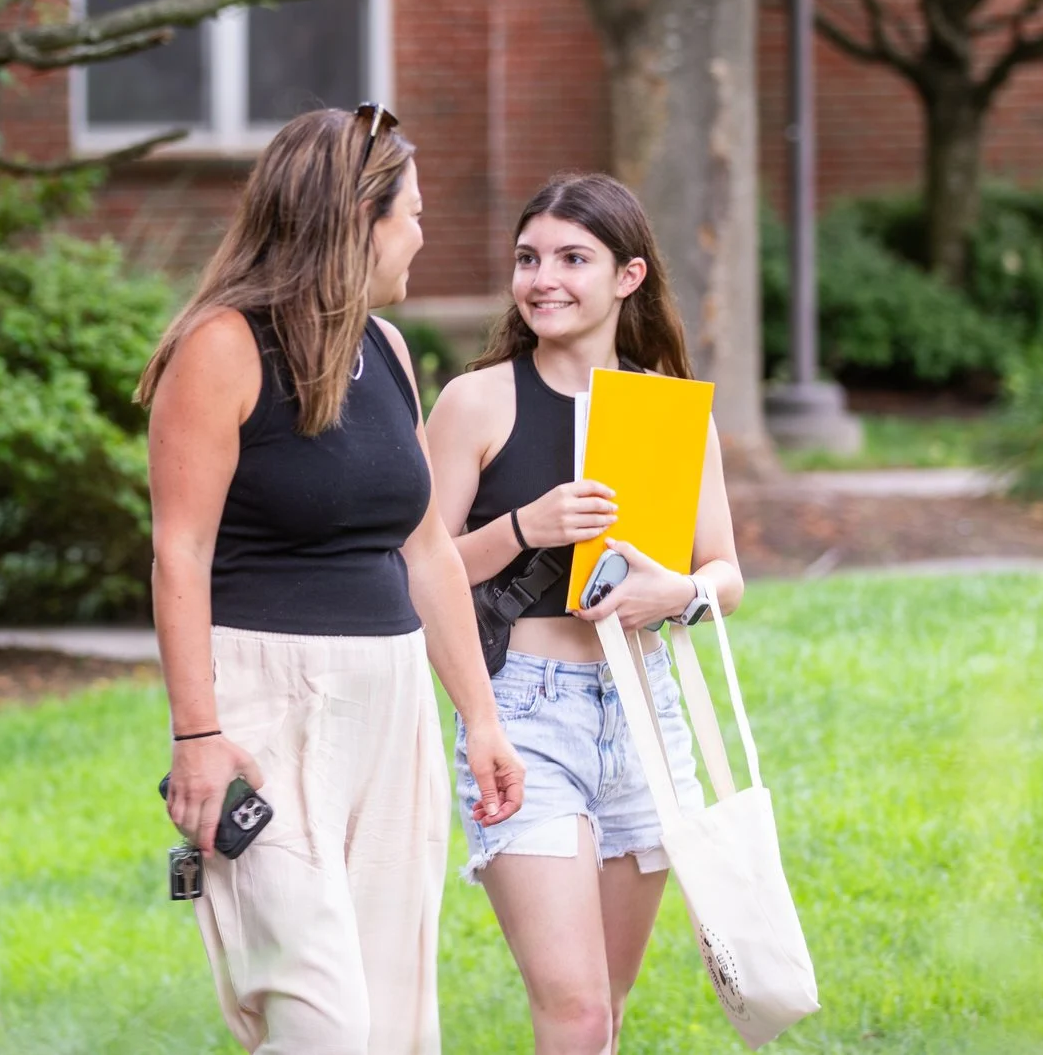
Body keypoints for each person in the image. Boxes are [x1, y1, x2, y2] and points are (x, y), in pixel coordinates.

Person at [141, 104, 526, 1055]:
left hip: (390, 707)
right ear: (359, 220)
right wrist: (198, 736)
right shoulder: (222, 346)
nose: (422, 234)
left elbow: (427, 548)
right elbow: (178, 553)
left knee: (393, 1023)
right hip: (265, 707)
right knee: (325, 1027)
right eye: (414, 213)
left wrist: (479, 718)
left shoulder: (386, 350)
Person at [423, 173, 744, 1055]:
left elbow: (725, 573)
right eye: (528, 258)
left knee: (605, 1003)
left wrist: (675, 594)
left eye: (573, 257)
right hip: (526, 712)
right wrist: (525, 526)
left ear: (628, 277)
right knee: (575, 1009)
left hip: (646, 713)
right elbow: (412, 567)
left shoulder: (671, 411)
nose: (542, 278)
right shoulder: (477, 401)